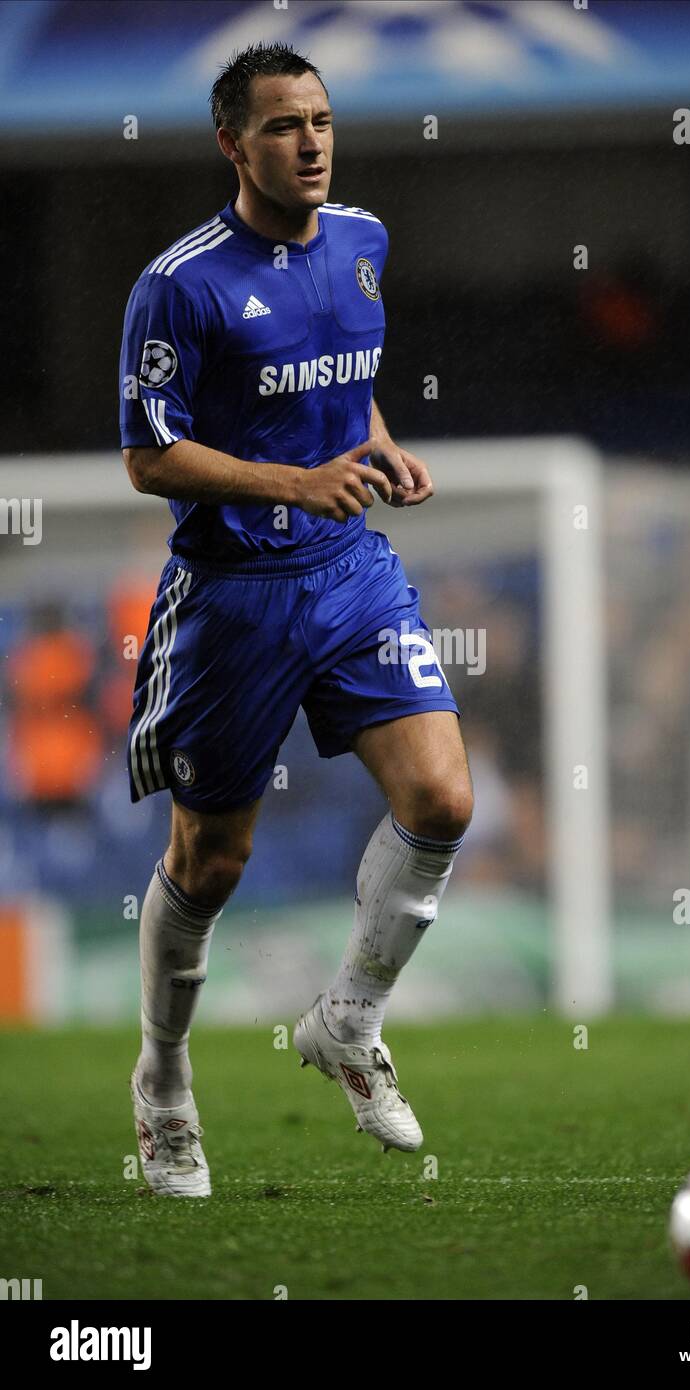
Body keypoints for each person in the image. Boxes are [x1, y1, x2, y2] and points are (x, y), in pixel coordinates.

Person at [118, 42, 473, 1196]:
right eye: (282, 126)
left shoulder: (364, 242)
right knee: (210, 859)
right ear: (234, 144)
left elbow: (335, 371)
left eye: (320, 120)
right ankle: (165, 1082)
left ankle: (347, 1020)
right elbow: (147, 454)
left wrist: (371, 445)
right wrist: (292, 482)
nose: (310, 141)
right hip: (231, 597)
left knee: (443, 797)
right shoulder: (180, 284)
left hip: (349, 567)